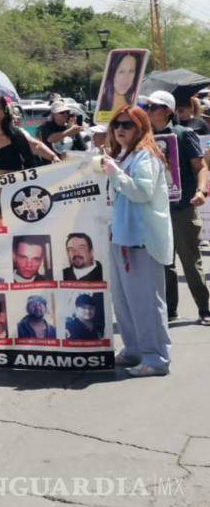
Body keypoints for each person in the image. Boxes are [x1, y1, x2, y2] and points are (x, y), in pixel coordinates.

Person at [100, 104, 173, 375]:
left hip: (142, 240)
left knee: (146, 302)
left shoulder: (146, 157)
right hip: (121, 236)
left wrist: (115, 173)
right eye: (116, 124)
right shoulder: (125, 155)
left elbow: (141, 193)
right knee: (124, 300)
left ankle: (156, 357)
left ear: (140, 127)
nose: (120, 129)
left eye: (127, 124)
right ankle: (134, 349)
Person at [145, 90, 210, 325]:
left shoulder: (183, 135)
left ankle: (205, 309)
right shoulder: (143, 137)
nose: (149, 111)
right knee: (164, 262)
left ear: (168, 111)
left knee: (190, 261)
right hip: (156, 209)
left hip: (182, 207)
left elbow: (201, 167)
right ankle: (170, 310)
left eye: (154, 107)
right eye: (148, 106)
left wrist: (201, 191)